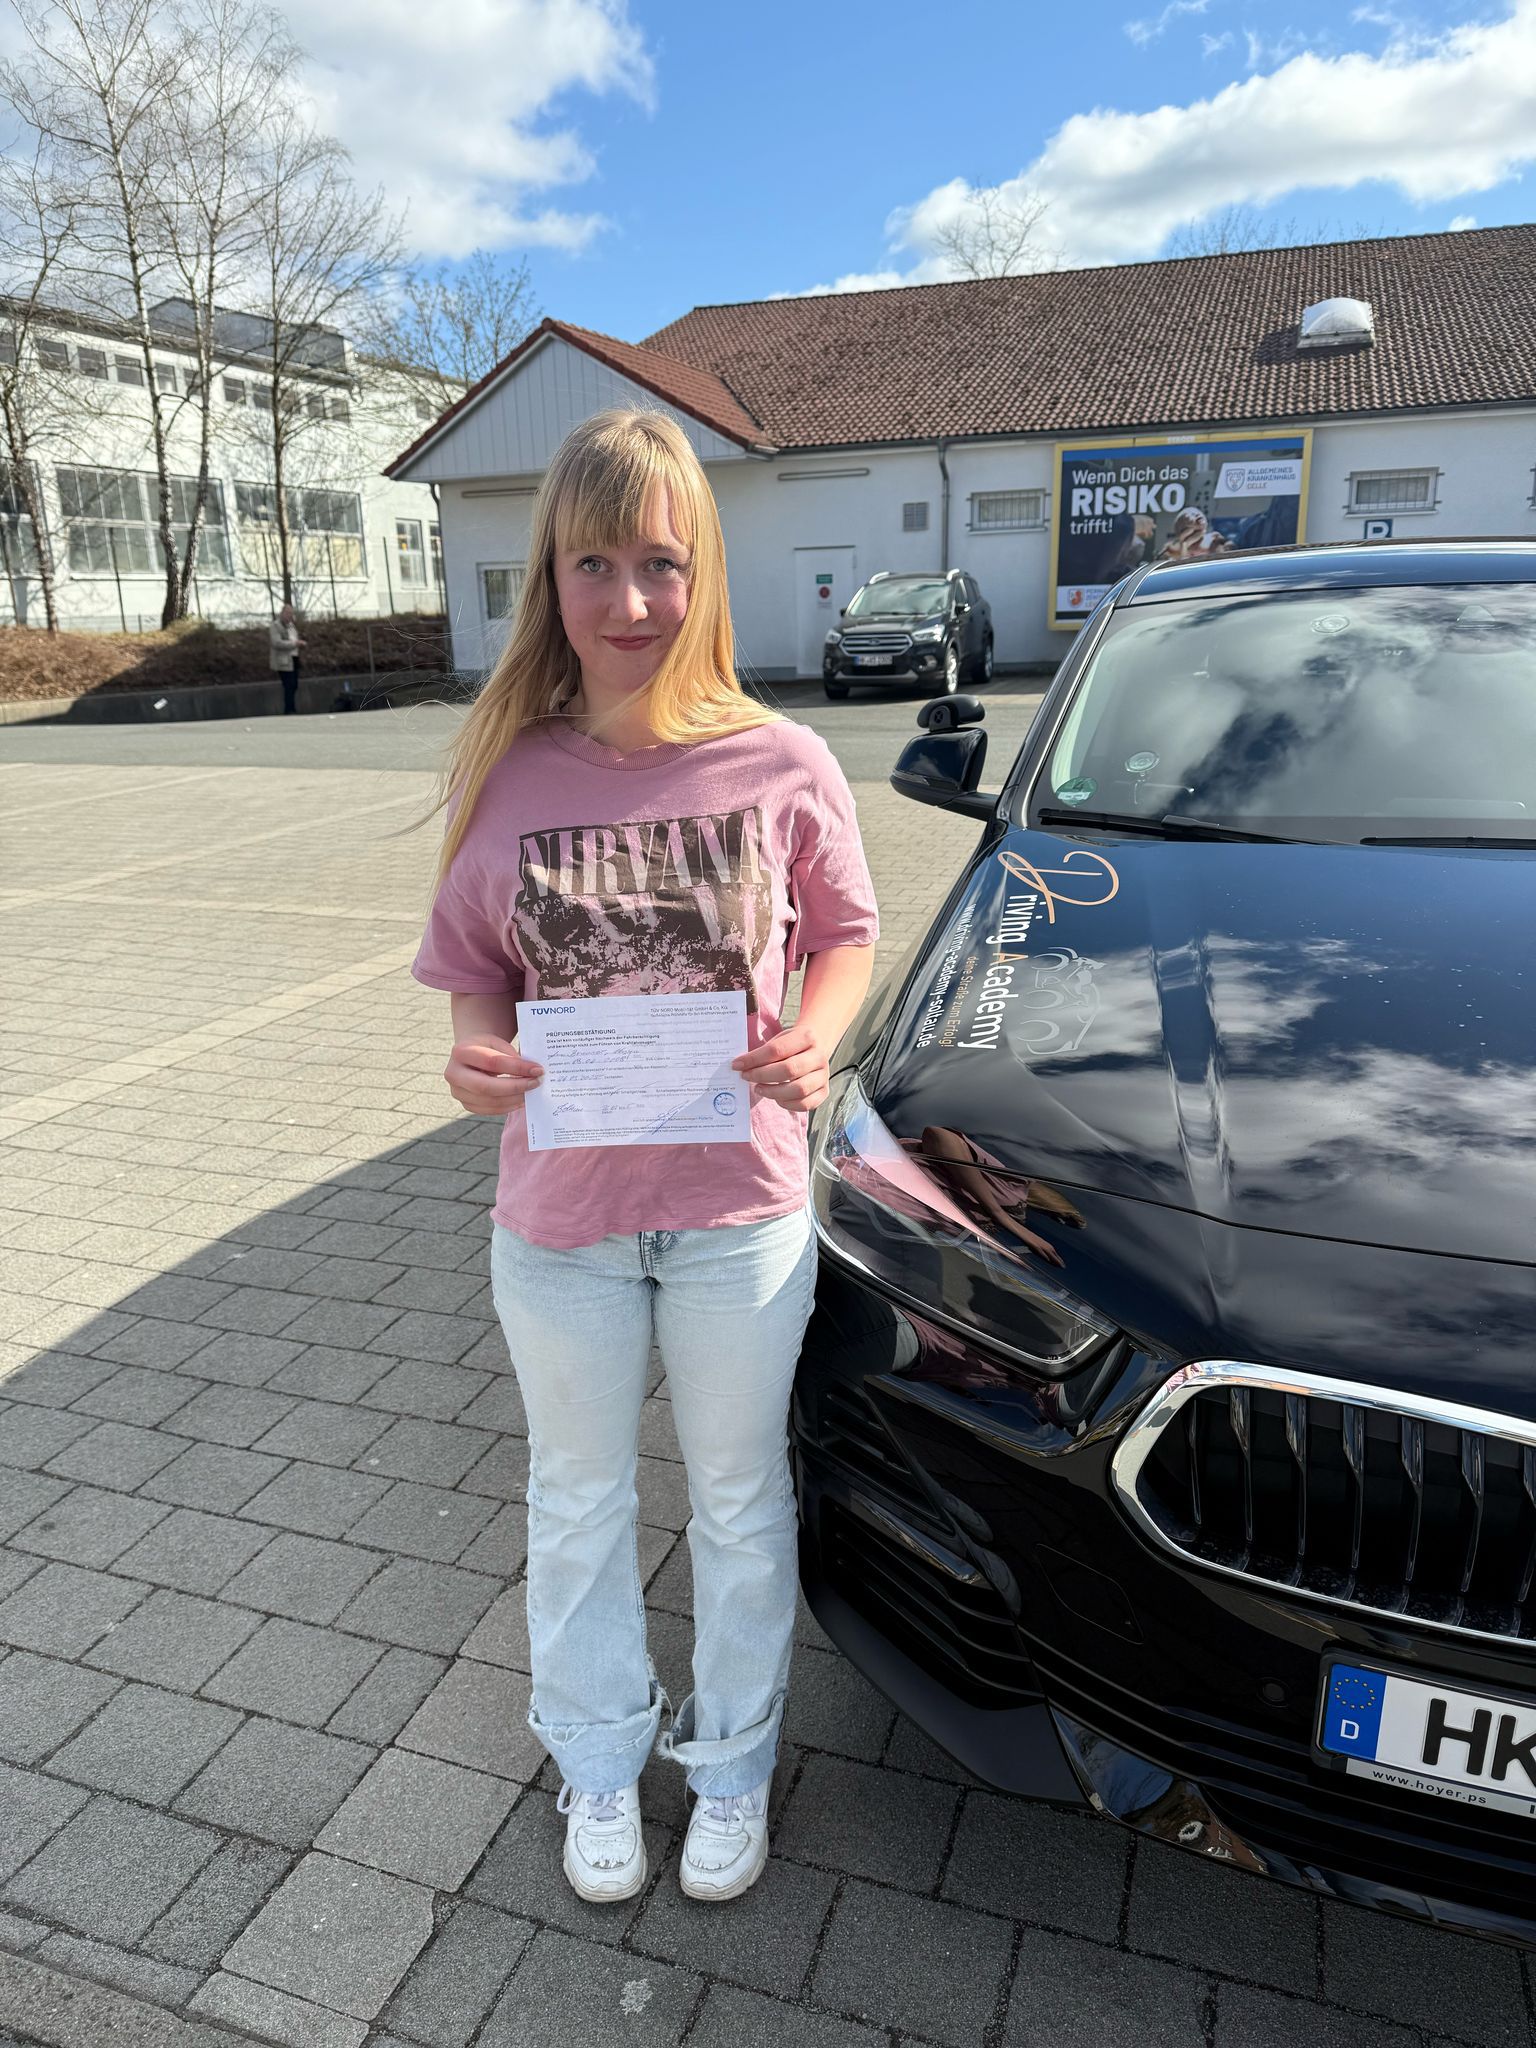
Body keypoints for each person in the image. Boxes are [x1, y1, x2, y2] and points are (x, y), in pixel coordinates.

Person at [411, 408, 879, 1907]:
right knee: (579, 1501)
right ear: (549, 577)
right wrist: (478, 1056)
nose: (629, 601)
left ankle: (732, 1763)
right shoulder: (508, 770)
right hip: (564, 1224)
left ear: (705, 572)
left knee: (739, 1503)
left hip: (739, 1210)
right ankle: (600, 1757)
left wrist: (815, 1039)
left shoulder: (785, 760)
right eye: (593, 565)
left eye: (662, 564)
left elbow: (848, 935)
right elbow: (476, 970)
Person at [268, 602, 305, 713]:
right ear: (282, 613)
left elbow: (294, 638)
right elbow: (277, 643)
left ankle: (291, 708)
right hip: (283, 661)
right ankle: (289, 710)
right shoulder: (276, 626)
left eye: (291, 613)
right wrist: (294, 644)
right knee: (289, 685)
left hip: (294, 658)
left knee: (294, 685)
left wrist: (299, 644)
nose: (290, 616)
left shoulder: (292, 626)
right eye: (288, 613)